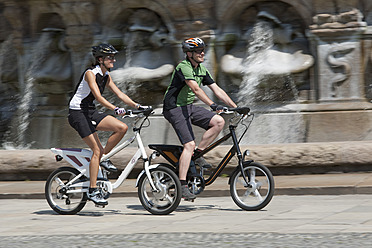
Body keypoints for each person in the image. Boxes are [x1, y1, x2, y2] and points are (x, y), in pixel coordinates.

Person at [68, 43, 147, 206]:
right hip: (78, 113)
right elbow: (98, 96)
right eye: (110, 57)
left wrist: (138, 106)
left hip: (89, 111)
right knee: (96, 150)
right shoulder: (91, 73)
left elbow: (120, 94)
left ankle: (103, 158)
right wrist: (115, 108)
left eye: (113, 57)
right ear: (100, 59)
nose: (113, 60)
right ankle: (92, 190)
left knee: (121, 128)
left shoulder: (106, 75)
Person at [163, 37, 237, 200]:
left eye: (203, 50)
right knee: (188, 144)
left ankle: (197, 155)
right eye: (198, 51)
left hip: (188, 107)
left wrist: (235, 107)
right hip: (174, 108)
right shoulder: (184, 67)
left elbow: (217, 89)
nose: (202, 53)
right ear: (189, 53)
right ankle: (182, 185)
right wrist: (212, 105)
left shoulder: (201, 69)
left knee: (218, 122)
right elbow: (196, 89)